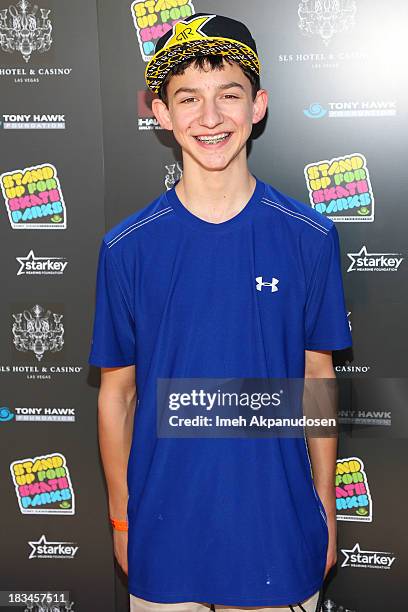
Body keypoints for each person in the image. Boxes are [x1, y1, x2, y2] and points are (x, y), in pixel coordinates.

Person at [88, 12, 352, 612]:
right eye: (188, 99)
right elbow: (116, 395)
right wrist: (123, 522)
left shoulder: (309, 236)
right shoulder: (127, 247)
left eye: (228, 95)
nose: (210, 118)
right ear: (161, 114)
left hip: (278, 537)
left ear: (257, 105)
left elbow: (316, 379)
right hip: (163, 537)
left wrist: (326, 509)